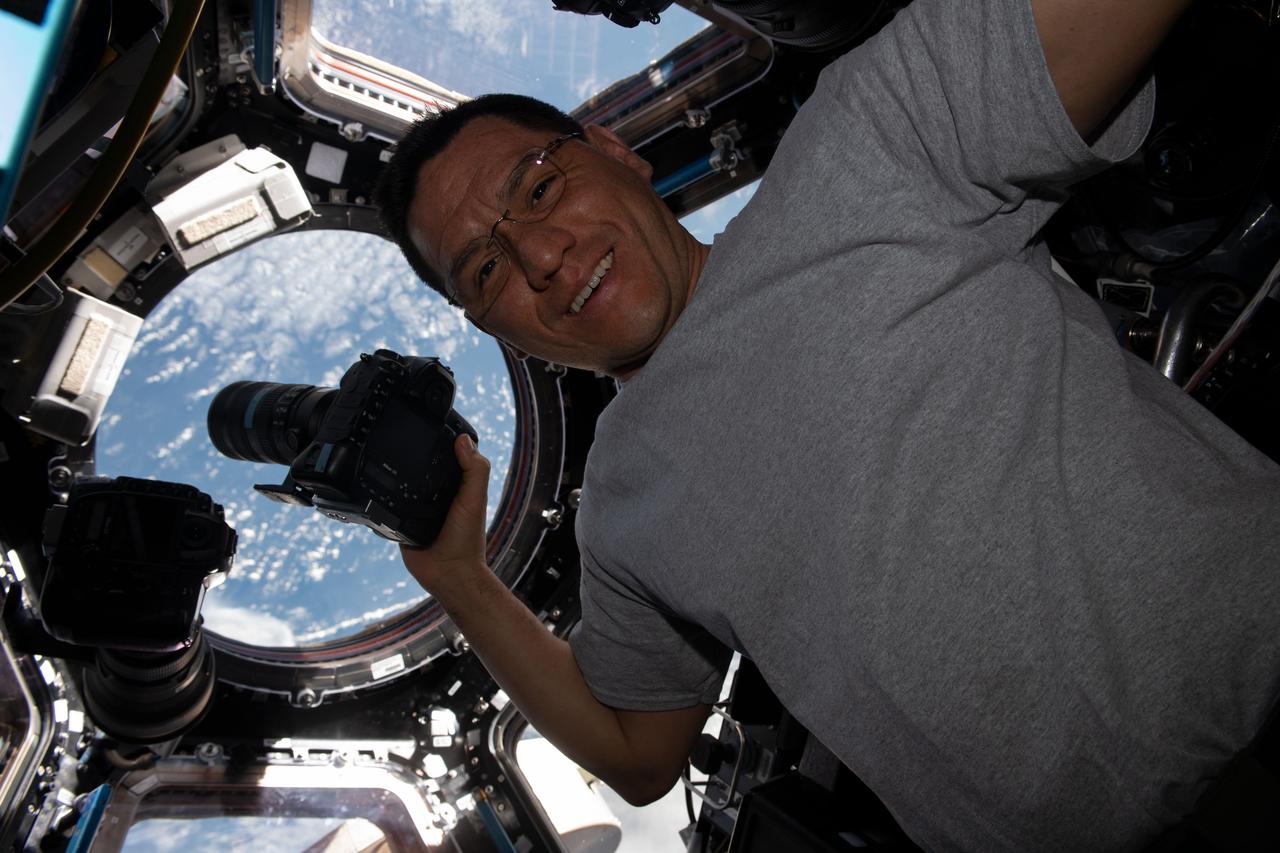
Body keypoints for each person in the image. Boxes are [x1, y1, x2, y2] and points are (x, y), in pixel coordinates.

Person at [374, 0, 1280, 848]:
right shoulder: (617, 513)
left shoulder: (863, 149)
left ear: (617, 150)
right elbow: (638, 755)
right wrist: (458, 576)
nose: (537, 254)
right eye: (484, 272)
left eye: (536, 188)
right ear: (495, 329)